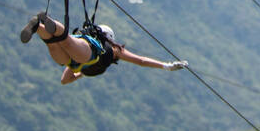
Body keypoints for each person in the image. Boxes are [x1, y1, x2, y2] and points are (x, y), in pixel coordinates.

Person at [20, 13, 187, 84]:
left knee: (61, 41)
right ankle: (45, 24)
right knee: (63, 42)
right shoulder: (113, 49)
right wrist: (166, 65)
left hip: (75, 59)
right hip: (83, 56)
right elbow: (141, 60)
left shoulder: (107, 50)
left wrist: (82, 74)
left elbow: (65, 79)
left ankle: (39, 25)